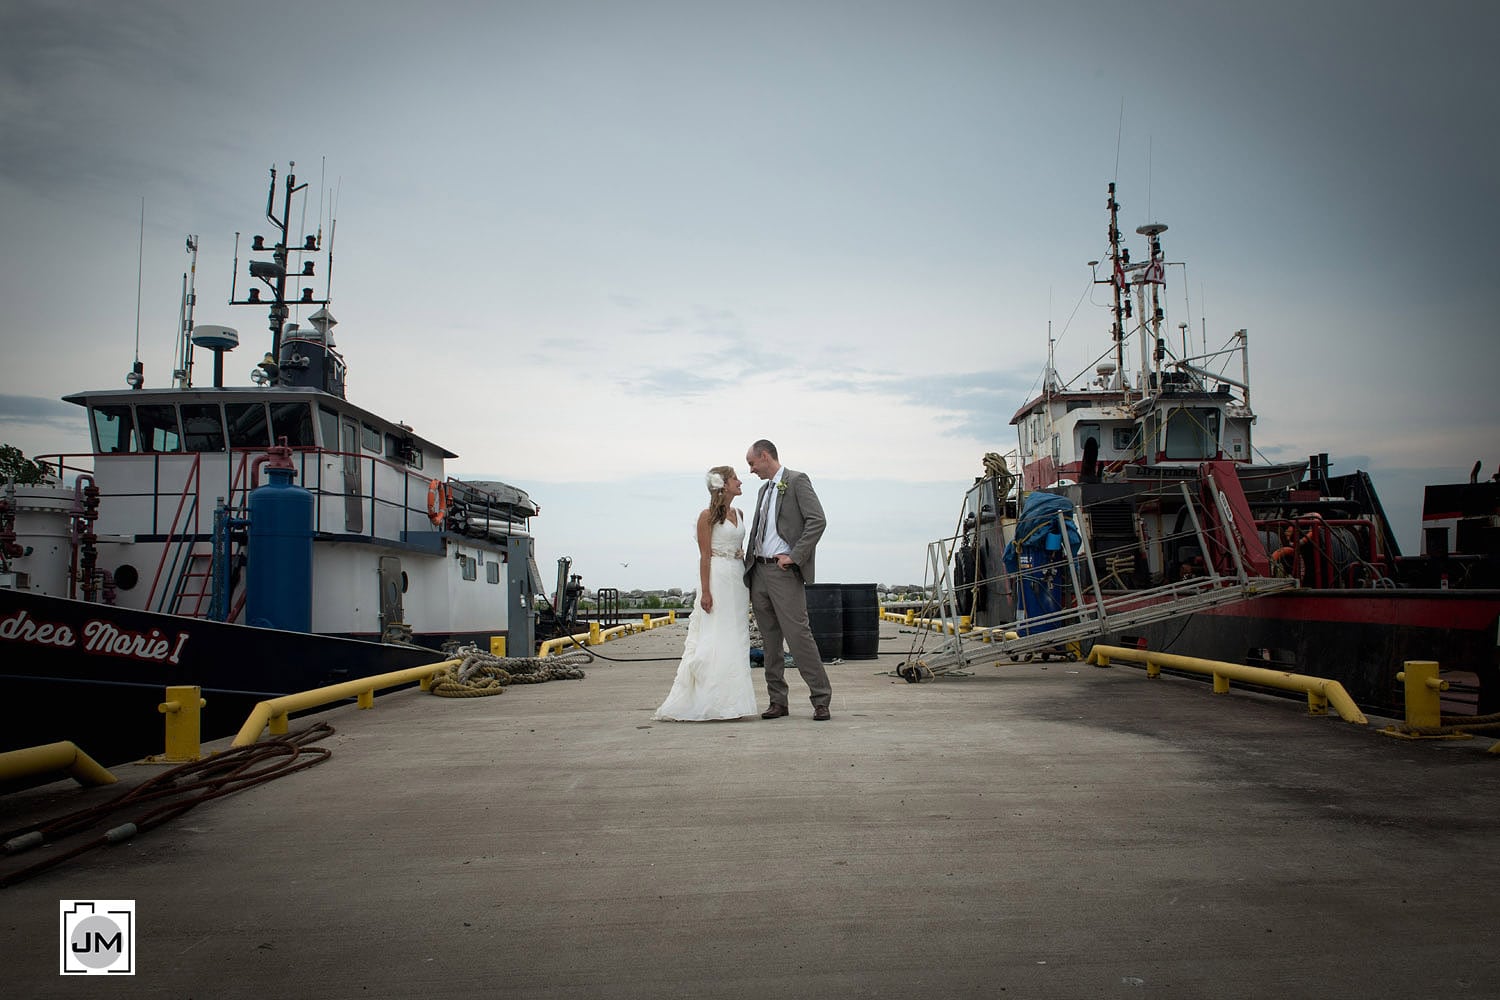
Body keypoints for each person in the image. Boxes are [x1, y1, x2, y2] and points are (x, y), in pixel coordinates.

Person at [652, 466, 758, 721]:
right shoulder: (706, 516)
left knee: (737, 637)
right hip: (717, 577)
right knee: (716, 636)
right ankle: (710, 700)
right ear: (723, 485)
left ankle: (734, 701)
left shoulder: (740, 513)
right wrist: (706, 592)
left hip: (737, 577)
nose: (740, 482)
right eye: (735, 479)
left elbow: (740, 547)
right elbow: (705, 556)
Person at [742, 439, 833, 721]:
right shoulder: (762, 490)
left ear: (765, 456)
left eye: (752, 463)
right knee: (770, 642)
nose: (751, 470)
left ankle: (821, 699)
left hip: (783, 573)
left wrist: (794, 556)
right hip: (758, 572)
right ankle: (777, 701)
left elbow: (817, 520)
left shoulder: (796, 480)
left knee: (798, 637)